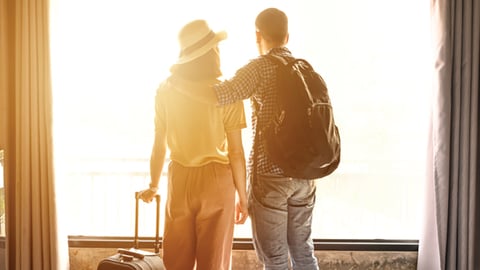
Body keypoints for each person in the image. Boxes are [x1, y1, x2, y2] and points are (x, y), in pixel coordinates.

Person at [173, 8, 320, 270]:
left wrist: (179, 84)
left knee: (274, 260)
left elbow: (221, 95)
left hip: (271, 176)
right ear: (287, 37)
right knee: (304, 254)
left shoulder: (259, 68)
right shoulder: (305, 69)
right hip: (305, 178)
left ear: (257, 35)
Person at [138, 19, 249, 270]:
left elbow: (159, 144)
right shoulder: (226, 93)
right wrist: (243, 196)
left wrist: (153, 185)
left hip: (179, 178)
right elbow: (236, 152)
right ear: (212, 52)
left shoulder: (166, 90)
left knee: (176, 261)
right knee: (214, 264)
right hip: (217, 182)